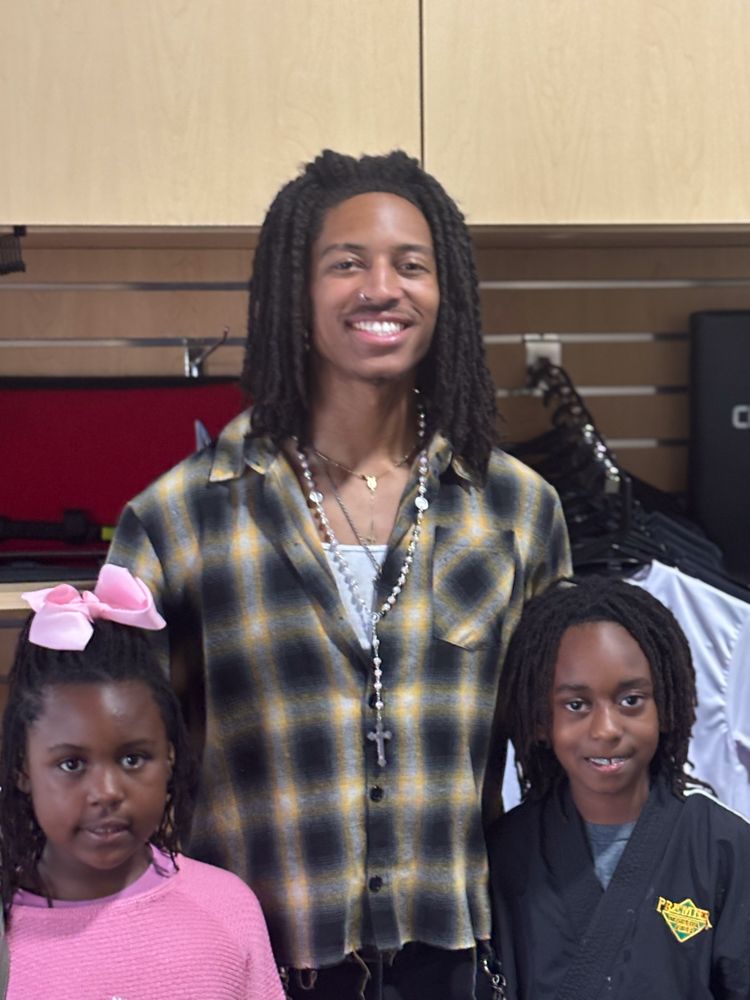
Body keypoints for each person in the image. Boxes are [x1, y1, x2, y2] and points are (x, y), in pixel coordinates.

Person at [107, 149, 571, 998]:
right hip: (249, 957)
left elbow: (556, 756)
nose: (381, 288)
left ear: (447, 292)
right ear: (296, 288)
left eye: (411, 265)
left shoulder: (517, 510)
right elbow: (120, 758)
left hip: (456, 958)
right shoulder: (181, 516)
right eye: (347, 263)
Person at [0, 564, 284, 1000]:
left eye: (133, 758)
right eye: (72, 764)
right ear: (23, 769)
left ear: (169, 756)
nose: (108, 792)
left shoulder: (228, 908)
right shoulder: (10, 936)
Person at [487, 576, 750, 1000]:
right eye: (577, 705)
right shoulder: (507, 851)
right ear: (540, 720)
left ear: (666, 707)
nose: (606, 730)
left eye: (630, 701)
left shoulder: (723, 845)